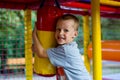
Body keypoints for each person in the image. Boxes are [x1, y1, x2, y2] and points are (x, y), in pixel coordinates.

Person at [32, 14, 92, 80]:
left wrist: (34, 34)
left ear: (75, 34)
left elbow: (41, 53)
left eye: (66, 30)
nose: (60, 33)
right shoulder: (71, 46)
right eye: (58, 29)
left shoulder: (65, 50)